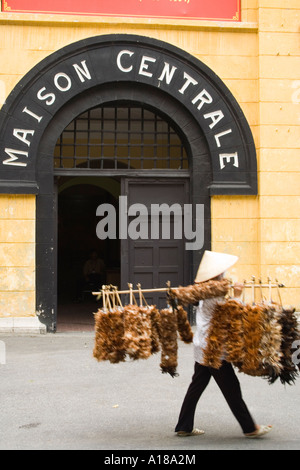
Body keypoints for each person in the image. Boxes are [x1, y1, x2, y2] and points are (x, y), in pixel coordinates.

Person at [175, 250, 272, 439]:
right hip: (214, 349)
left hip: (203, 346)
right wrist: (236, 295)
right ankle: (250, 428)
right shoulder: (213, 295)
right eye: (223, 272)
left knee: (196, 386)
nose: (225, 275)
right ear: (217, 275)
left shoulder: (204, 291)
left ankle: (184, 426)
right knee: (231, 388)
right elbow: (230, 316)